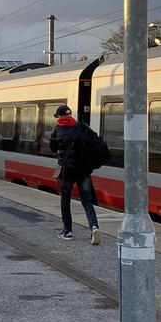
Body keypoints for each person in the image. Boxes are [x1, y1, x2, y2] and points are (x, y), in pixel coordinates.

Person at [49, 104, 100, 245]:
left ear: (59, 116)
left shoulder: (57, 129)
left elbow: (53, 148)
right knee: (87, 202)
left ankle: (68, 231)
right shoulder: (81, 127)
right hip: (83, 170)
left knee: (65, 200)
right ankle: (94, 227)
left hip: (67, 172)